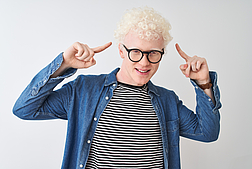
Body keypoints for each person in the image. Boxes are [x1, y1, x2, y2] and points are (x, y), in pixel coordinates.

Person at [13, 6, 221, 169]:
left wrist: (203, 83)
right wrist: (63, 65)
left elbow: (207, 133)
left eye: (153, 53)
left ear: (161, 54)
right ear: (121, 51)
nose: (144, 62)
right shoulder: (84, 90)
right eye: (135, 52)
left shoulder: (167, 100)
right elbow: (24, 109)